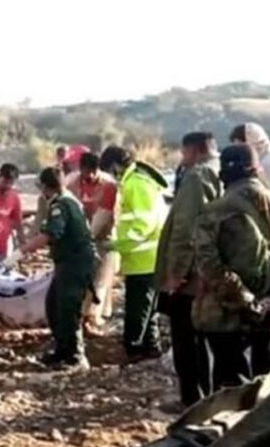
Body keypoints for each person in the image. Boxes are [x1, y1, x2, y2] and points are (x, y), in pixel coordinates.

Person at [193, 144, 270, 390]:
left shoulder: (212, 213)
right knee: (268, 386)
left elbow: (210, 267)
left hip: (225, 319)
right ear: (257, 170)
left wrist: (251, 304)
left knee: (231, 391)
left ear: (223, 175)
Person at [3, 167, 95, 369]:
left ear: (45, 187)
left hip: (75, 263)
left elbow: (49, 235)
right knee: (54, 306)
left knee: (68, 308)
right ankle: (62, 350)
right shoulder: (69, 200)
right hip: (70, 262)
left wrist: (20, 252)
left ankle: (76, 356)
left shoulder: (60, 205)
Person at [154, 132, 222, 407]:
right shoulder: (221, 172)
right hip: (213, 271)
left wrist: (176, 273)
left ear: (194, 150)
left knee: (187, 341)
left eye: (184, 153)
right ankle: (207, 398)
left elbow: (186, 229)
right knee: (207, 341)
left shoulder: (197, 177)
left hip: (192, 278)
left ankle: (192, 401)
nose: (182, 159)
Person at [100, 146, 168, 362]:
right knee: (147, 308)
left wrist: (117, 245)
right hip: (146, 256)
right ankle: (151, 348)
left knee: (137, 309)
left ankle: (135, 350)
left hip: (143, 257)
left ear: (115, 166)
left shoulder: (135, 185)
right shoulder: (139, 181)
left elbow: (142, 224)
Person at [74, 152, 119, 336]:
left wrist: (89, 237)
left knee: (100, 281)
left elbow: (104, 216)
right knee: (82, 280)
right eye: (86, 172)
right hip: (80, 238)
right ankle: (81, 318)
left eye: (93, 171)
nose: (90, 176)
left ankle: (91, 319)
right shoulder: (73, 183)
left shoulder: (108, 185)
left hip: (103, 238)